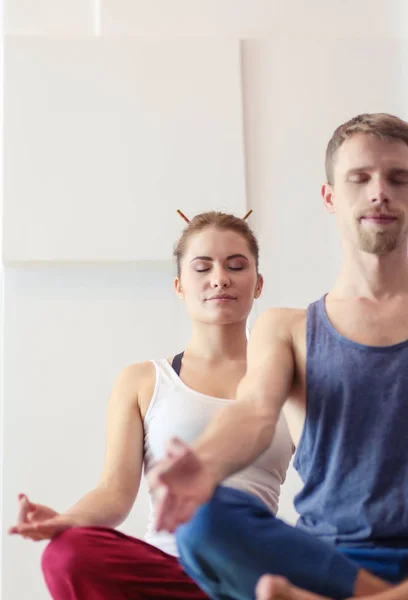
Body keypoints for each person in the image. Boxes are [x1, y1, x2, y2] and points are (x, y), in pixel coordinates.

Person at [147, 113, 408, 600]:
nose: (380, 192)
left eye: (398, 178)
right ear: (330, 197)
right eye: (360, 178)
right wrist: (202, 465)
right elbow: (253, 413)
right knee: (205, 518)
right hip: (329, 562)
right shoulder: (287, 328)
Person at [8, 211, 295, 600]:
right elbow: (114, 492)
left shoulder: (288, 381)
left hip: (254, 577)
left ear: (258, 284)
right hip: (168, 575)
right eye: (202, 267)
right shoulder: (143, 381)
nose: (220, 278)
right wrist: (63, 520)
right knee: (67, 554)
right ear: (179, 286)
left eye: (236, 265)